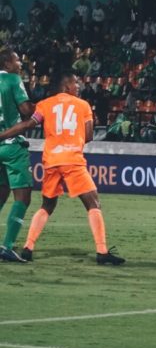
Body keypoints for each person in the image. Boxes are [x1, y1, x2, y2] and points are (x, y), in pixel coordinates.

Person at [0, 73, 124, 265]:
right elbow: (89, 135)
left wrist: (2, 136)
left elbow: (27, 124)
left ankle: (28, 248)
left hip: (51, 161)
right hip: (72, 160)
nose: (78, 85)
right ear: (66, 86)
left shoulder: (45, 104)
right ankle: (102, 251)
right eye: (75, 82)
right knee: (93, 203)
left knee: (47, 205)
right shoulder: (83, 105)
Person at [0, 50, 34, 262]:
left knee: (1, 193)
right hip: (11, 145)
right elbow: (26, 110)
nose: (20, 63)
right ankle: (7, 246)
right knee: (23, 196)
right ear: (7, 63)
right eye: (17, 60)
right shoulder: (13, 79)